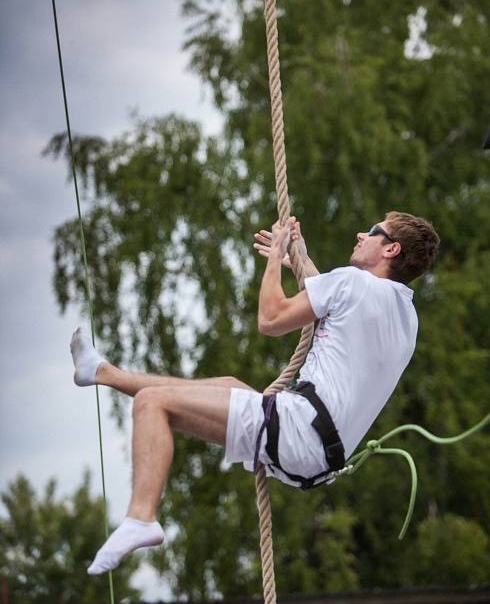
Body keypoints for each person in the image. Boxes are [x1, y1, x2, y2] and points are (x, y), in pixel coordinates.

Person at [70, 211, 439, 575]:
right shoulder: (405, 316)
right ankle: (103, 373)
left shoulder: (353, 284)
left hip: (299, 429)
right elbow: (337, 310)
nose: (361, 234)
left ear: (390, 250)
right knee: (228, 385)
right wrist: (302, 256)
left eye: (373, 231)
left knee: (153, 403)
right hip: (318, 454)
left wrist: (277, 258)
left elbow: (271, 319)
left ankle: (142, 517)